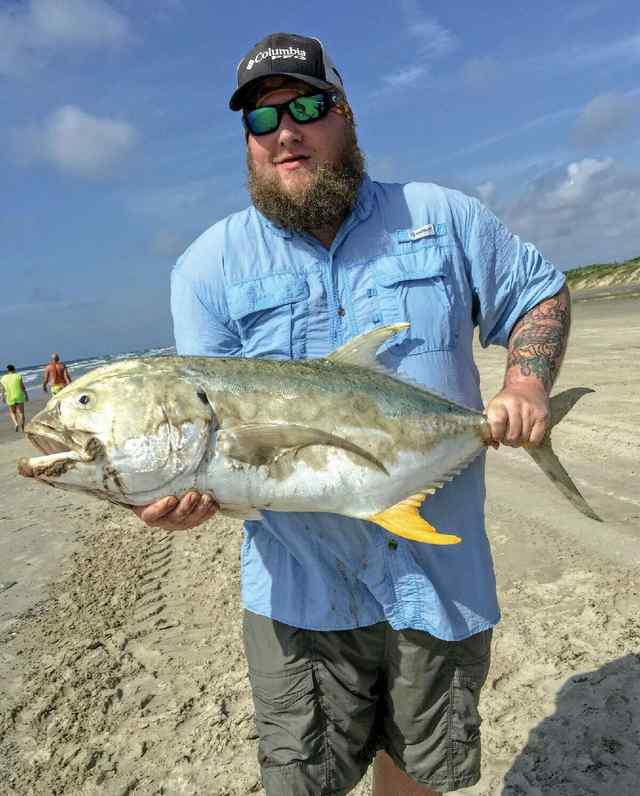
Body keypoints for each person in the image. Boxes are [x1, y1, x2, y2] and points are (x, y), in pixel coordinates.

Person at [133, 32, 571, 795]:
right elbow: (218, 439)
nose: (286, 132)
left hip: (439, 584)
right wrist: (190, 498)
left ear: (346, 112)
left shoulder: (440, 217)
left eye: (306, 105)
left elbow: (538, 293)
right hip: (300, 600)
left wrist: (527, 387)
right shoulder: (208, 267)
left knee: (417, 777)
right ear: (247, 142)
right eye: (262, 121)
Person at [1, 364, 29, 432]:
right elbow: (22, 387)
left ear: (7, 371)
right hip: (19, 395)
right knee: (21, 413)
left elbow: (2, 389)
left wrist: (3, 397)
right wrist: (26, 395)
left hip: (10, 396)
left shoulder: (3, 378)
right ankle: (22, 428)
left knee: (12, 413)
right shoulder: (18, 376)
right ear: (14, 369)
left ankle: (16, 423)